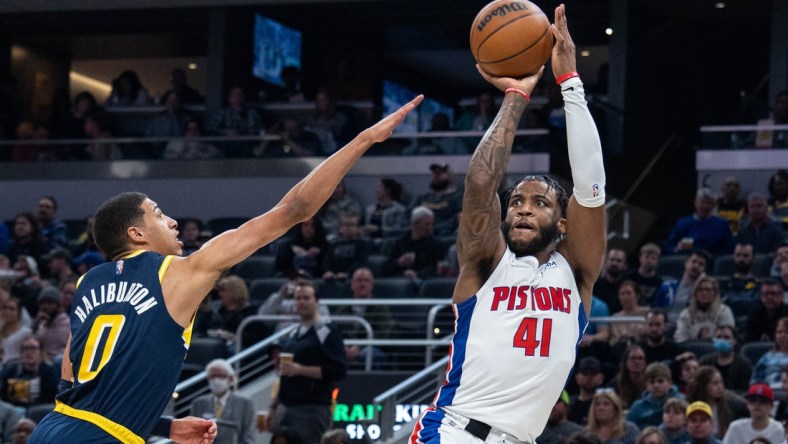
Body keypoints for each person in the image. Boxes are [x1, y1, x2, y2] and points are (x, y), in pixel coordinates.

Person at [27, 94, 422, 443]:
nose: (173, 222)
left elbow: (73, 383)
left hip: (54, 427)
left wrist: (162, 426)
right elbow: (294, 210)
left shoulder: (85, 283)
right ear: (136, 233)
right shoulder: (178, 273)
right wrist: (365, 139)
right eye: (159, 215)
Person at [410, 7, 607, 443]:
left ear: (563, 223)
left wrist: (570, 82)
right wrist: (516, 97)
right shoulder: (484, 263)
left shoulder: (576, 272)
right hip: (456, 431)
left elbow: (592, 186)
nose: (522, 208)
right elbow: (481, 183)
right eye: (516, 201)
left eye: (539, 203)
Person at [268, 280, 347, 444]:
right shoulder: (295, 332)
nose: (301, 302)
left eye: (306, 298)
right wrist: (273, 406)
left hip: (312, 408)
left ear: (316, 301)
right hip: (287, 406)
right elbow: (285, 373)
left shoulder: (327, 331)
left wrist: (300, 369)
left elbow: (338, 370)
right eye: (297, 298)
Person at [331, 267, 394, 369]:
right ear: (352, 285)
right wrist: (344, 347)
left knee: (371, 355)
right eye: (359, 280)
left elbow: (383, 333)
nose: (362, 284)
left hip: (370, 348)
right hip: (346, 348)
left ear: (372, 286)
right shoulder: (343, 308)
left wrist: (360, 347)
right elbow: (334, 331)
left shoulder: (380, 307)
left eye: (366, 281)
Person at [190, 359, 255, 444]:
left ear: (230, 378)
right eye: (212, 376)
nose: (216, 380)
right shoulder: (198, 403)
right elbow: (193, 434)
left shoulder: (245, 403)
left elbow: (248, 436)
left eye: (221, 376)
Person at [381, 206, 445, 280]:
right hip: (399, 279)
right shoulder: (400, 243)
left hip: (421, 280)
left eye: (431, 224)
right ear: (415, 224)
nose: (430, 228)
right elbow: (385, 268)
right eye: (427, 224)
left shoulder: (436, 245)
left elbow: (435, 268)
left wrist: (417, 274)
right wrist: (399, 262)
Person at [665, 187, 734, 256]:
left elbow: (729, 249)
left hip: (713, 261)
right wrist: (677, 249)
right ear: (695, 203)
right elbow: (669, 246)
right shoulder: (683, 223)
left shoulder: (722, 224)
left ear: (713, 205)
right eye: (702, 202)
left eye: (709, 203)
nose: (705, 206)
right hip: (687, 261)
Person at [686, 366, 747, 438]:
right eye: (715, 383)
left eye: (721, 382)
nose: (720, 386)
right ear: (704, 386)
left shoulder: (731, 401)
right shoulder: (692, 405)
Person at [653, 250, 711, 326]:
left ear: (704, 269)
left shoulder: (703, 292)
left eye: (701, 264)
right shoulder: (667, 286)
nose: (696, 266)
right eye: (693, 262)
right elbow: (655, 308)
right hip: (663, 325)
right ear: (686, 263)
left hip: (688, 327)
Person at [0, 335, 58, 408]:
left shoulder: (48, 371)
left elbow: (49, 397)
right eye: (25, 348)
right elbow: (4, 395)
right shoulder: (11, 370)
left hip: (39, 410)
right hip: (14, 410)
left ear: (40, 352)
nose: (28, 352)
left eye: (33, 348)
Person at [673, 276, 735, 343]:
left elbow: (728, 337)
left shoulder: (724, 311)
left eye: (707, 289)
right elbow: (680, 337)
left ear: (714, 293)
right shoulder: (686, 314)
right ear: (695, 293)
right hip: (691, 349)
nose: (704, 293)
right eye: (700, 290)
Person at [410, 163, 463, 237]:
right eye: (434, 173)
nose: (436, 175)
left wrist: (434, 228)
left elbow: (458, 219)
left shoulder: (458, 197)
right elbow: (409, 215)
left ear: (450, 177)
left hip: (443, 235)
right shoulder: (423, 198)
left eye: (440, 173)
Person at [626, 362, 682, 429]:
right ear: (646, 385)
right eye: (652, 382)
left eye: (660, 381)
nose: (656, 385)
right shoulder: (637, 407)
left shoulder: (681, 402)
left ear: (670, 383)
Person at [699, 325, 752, 393]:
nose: (722, 340)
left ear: (735, 341)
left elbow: (744, 390)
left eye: (726, 338)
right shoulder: (705, 361)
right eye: (718, 337)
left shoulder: (744, 364)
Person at [720, 242, 761, 322]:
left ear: (753, 258)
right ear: (733, 257)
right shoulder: (724, 283)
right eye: (738, 255)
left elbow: (756, 305)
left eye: (745, 256)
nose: (741, 259)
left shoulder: (760, 285)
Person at [362, 177, 409, 243]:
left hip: (388, 243)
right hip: (370, 242)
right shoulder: (370, 209)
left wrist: (379, 229)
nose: (376, 190)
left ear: (388, 190)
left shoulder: (399, 209)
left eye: (379, 187)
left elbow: (401, 230)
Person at [33, 287, 70, 363]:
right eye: (42, 304)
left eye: (49, 303)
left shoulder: (68, 323)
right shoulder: (41, 325)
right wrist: (35, 325)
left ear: (58, 305)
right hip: (43, 361)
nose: (45, 307)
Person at [609, 280, 649, 350]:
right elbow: (613, 339)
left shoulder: (647, 313)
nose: (625, 297)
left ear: (637, 296)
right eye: (622, 294)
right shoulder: (615, 317)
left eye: (628, 293)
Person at [751, 316, 788, 389]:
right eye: (779, 332)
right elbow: (754, 382)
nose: (782, 335)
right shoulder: (767, 357)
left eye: (787, 332)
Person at [568, 357, 606, 426]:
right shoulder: (569, 404)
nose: (589, 377)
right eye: (585, 373)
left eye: (593, 374)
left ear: (601, 378)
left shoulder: (605, 404)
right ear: (577, 377)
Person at [610, 344, 648, 409]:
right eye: (633, 358)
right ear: (626, 362)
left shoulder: (650, 383)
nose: (637, 362)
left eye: (640, 358)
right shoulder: (615, 384)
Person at [593, 248, 629, 314]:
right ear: (605, 262)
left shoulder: (628, 287)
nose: (614, 263)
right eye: (612, 259)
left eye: (619, 261)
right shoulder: (596, 285)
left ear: (625, 265)